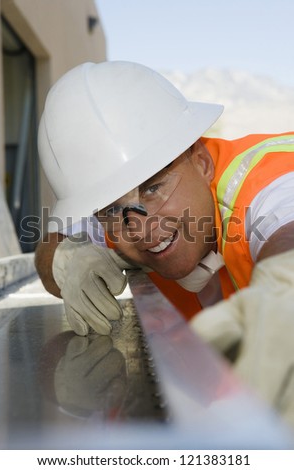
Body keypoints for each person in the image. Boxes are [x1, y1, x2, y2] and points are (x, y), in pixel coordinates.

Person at [35, 61, 294, 426]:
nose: (139, 228)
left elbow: (285, 222)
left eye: (154, 188)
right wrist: (66, 258)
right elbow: (49, 247)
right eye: (111, 208)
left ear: (201, 163)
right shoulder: (121, 218)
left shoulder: (264, 181)